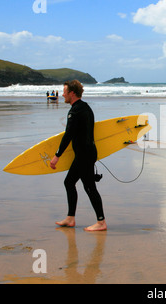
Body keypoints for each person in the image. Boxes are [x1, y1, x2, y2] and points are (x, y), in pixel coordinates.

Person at [50, 80, 107, 232]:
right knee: (69, 182)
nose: (62, 95)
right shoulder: (86, 108)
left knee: (89, 187)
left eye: (64, 92)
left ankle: (101, 222)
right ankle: (70, 218)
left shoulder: (75, 111)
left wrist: (57, 156)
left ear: (72, 93)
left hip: (84, 155)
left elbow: (68, 135)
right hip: (86, 153)